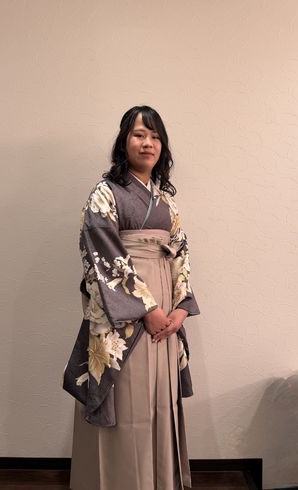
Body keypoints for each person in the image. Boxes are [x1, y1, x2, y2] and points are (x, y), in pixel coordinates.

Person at [62, 105, 201, 490]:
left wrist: (179, 309)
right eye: (139, 134)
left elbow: (180, 253)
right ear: (124, 142)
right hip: (125, 316)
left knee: (159, 399)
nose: (148, 143)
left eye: (155, 137)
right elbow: (101, 253)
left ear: (163, 146)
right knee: (126, 400)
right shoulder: (105, 194)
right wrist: (147, 309)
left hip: (165, 314)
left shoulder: (167, 202)